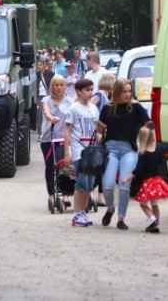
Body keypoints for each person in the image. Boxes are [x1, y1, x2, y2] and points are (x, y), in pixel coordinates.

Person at [96, 77, 150, 230]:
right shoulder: (107, 108)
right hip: (110, 149)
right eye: (124, 91)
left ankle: (121, 218)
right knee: (107, 185)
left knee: (124, 185)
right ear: (117, 92)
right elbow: (100, 133)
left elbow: (149, 125)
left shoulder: (136, 108)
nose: (127, 94)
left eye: (129, 91)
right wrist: (99, 133)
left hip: (129, 150)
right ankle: (110, 208)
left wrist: (150, 137)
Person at [123, 122, 168, 233]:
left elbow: (138, 170)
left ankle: (153, 220)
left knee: (143, 204)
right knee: (154, 204)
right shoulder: (158, 151)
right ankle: (156, 224)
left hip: (148, 182)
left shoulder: (143, 153)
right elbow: (162, 161)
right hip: (157, 181)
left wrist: (127, 178)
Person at [64, 78, 101, 227]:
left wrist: (102, 142)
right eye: (87, 90)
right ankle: (76, 213)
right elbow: (67, 130)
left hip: (92, 151)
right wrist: (67, 153)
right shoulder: (73, 109)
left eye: (92, 89)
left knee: (90, 184)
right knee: (82, 182)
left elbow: (96, 131)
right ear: (78, 92)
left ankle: (82, 212)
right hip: (79, 150)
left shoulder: (94, 109)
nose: (90, 92)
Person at [39, 75, 70, 205]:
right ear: (52, 87)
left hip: (64, 139)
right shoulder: (46, 100)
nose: (59, 87)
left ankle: (66, 194)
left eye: (61, 85)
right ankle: (51, 194)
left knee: (64, 166)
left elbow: (75, 112)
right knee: (50, 167)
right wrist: (51, 118)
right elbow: (46, 112)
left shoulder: (68, 101)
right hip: (48, 138)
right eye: (56, 85)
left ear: (64, 87)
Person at [89, 71, 115, 206]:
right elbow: (91, 108)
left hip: (102, 132)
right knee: (98, 163)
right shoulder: (99, 95)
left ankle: (99, 194)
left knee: (103, 164)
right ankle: (93, 192)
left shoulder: (106, 96)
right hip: (97, 133)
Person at [36, 57, 54, 140]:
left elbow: (53, 84)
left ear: (44, 65)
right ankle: (40, 134)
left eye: (40, 65)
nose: (38, 66)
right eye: (37, 65)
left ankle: (49, 133)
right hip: (40, 97)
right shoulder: (36, 75)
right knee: (39, 115)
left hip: (48, 97)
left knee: (49, 114)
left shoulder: (50, 74)